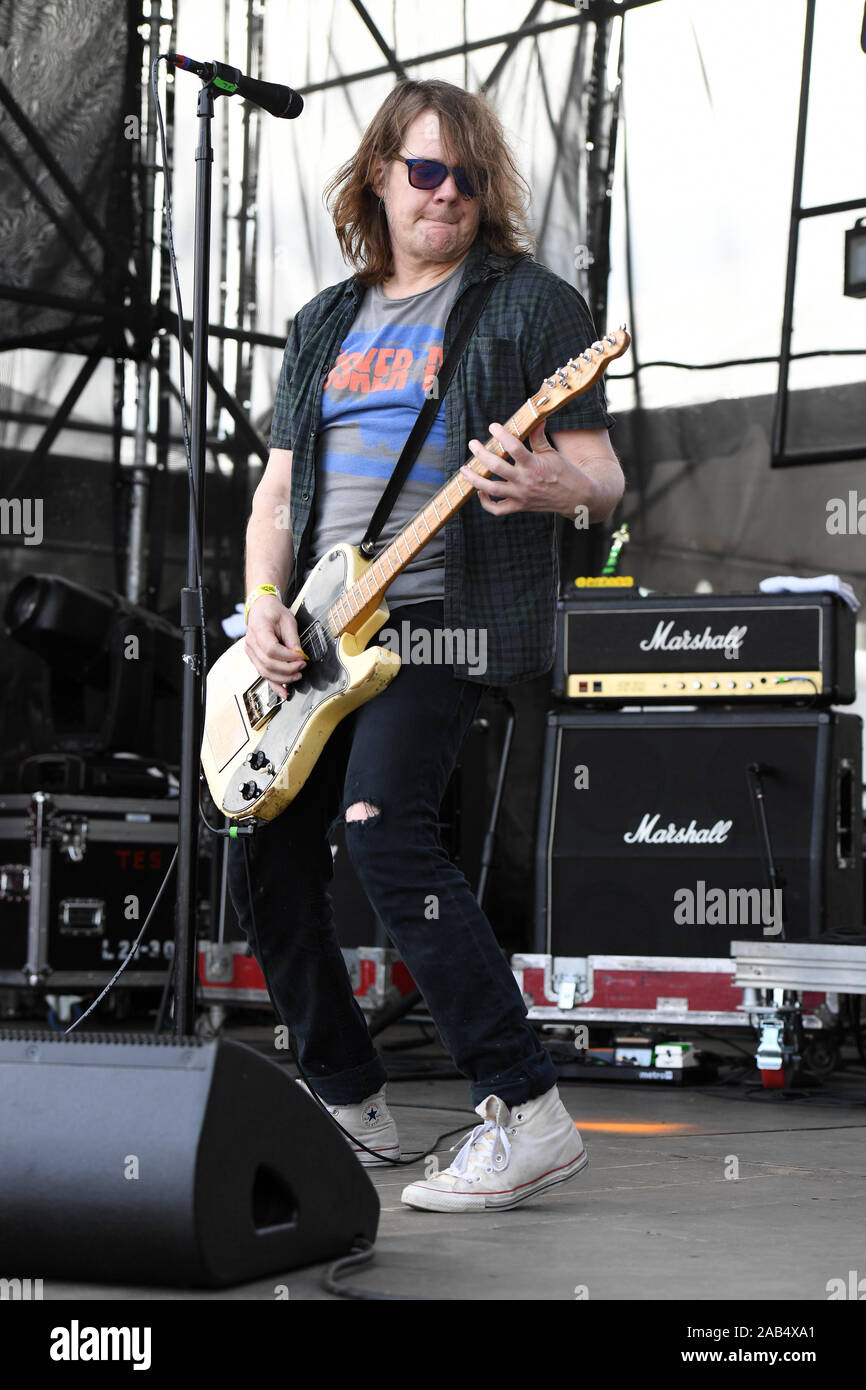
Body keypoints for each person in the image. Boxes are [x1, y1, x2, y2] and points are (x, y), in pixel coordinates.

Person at [228, 78, 625, 1213]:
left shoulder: (528, 308)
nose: (443, 194)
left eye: (463, 175)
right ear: (377, 178)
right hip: (314, 633)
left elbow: (603, 475)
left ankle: (529, 1110)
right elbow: (278, 490)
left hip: (437, 623)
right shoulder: (319, 325)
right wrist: (261, 599)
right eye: (422, 171)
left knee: (383, 831)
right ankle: (347, 1098)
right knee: (269, 860)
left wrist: (560, 486)